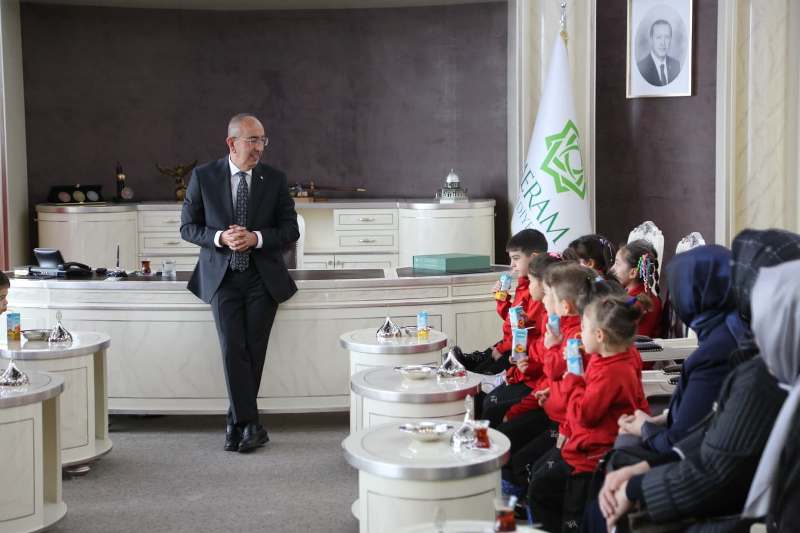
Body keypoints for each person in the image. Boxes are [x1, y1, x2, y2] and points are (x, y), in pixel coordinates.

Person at [599, 260, 798, 533]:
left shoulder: (756, 374)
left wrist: (637, 485)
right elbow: (712, 432)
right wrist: (642, 469)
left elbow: (716, 468)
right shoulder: (761, 364)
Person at [181, 113, 299, 453]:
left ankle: (238, 424)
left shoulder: (274, 179)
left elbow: (290, 230)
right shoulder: (204, 176)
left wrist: (256, 238)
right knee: (233, 348)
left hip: (263, 278)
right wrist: (221, 237)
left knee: (253, 349)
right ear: (231, 143)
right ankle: (249, 424)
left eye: (262, 140)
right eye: (252, 140)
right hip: (223, 277)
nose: (259, 147)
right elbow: (188, 227)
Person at [530, 293, 649, 532]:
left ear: (599, 336)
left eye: (583, 328)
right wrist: (561, 389)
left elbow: (584, 415)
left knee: (573, 520)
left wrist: (573, 379)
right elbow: (589, 389)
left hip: (591, 459)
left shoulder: (613, 372)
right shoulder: (608, 357)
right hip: (582, 448)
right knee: (541, 488)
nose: (579, 333)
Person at [615, 245, 747, 454]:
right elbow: (702, 413)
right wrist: (664, 418)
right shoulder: (731, 330)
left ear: (696, 293)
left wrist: (645, 428)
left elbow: (679, 442)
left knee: (622, 446)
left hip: (691, 458)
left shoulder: (716, 353)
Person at [458, 229, 548, 374]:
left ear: (534, 258)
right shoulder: (524, 283)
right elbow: (513, 320)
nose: (512, 264)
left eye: (516, 258)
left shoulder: (538, 290)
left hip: (524, 349)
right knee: (477, 367)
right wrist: (502, 300)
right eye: (511, 259)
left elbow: (526, 331)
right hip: (514, 342)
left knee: (482, 374)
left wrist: (502, 348)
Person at [610, 240, 662, 338]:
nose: (612, 269)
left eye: (617, 264)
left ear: (633, 273)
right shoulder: (643, 295)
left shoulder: (636, 302)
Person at [637, 19, 681, 86]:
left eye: (667, 37)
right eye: (658, 37)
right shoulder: (641, 67)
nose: (663, 43)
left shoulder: (676, 65)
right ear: (651, 39)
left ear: (671, 39)